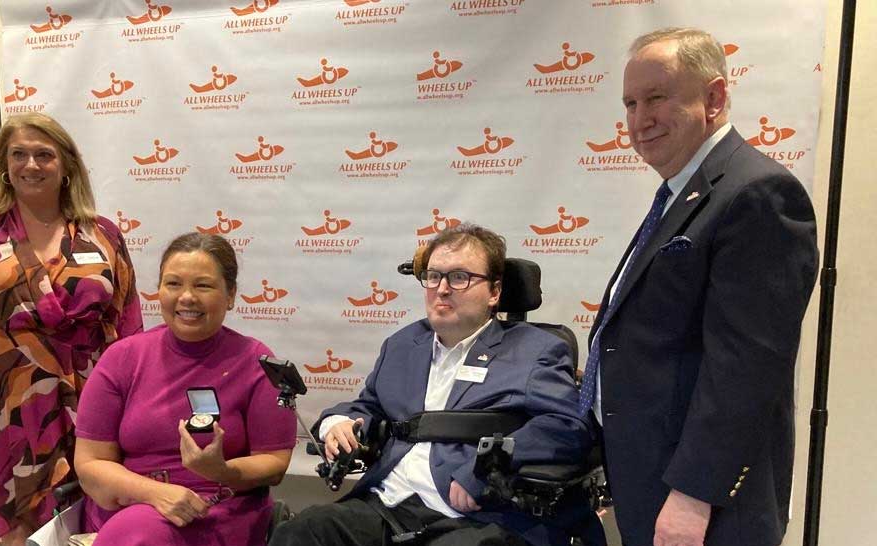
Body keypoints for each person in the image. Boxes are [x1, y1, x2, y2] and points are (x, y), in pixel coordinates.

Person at [580, 28, 820, 546]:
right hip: (653, 482)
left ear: (713, 98)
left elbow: (745, 369)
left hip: (705, 506)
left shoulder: (757, 193)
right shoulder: (681, 194)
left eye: (657, 98)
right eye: (630, 103)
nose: (639, 120)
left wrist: (693, 496)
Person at [270, 224, 598, 546]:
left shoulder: (534, 349)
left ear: (494, 292)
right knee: (302, 532)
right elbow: (368, 405)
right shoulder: (402, 345)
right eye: (434, 276)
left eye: (459, 277)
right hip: (388, 503)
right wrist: (338, 423)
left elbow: (568, 425)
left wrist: (486, 469)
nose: (442, 289)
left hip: (476, 513)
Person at [0, 112, 143, 546]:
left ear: (66, 166)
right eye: (18, 154)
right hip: (0, 406)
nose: (31, 165)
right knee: (7, 520)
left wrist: (131, 408)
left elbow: (128, 329)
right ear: (5, 164)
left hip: (90, 400)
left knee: (86, 515)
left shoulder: (103, 235)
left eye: (44, 155)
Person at [74, 233, 296, 546]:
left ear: (230, 294)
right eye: (174, 284)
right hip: (130, 506)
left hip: (218, 510)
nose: (187, 297)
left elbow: (273, 462)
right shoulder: (122, 358)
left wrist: (221, 471)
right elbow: (90, 464)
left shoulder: (256, 363)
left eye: (203, 285)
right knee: (138, 533)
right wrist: (155, 494)